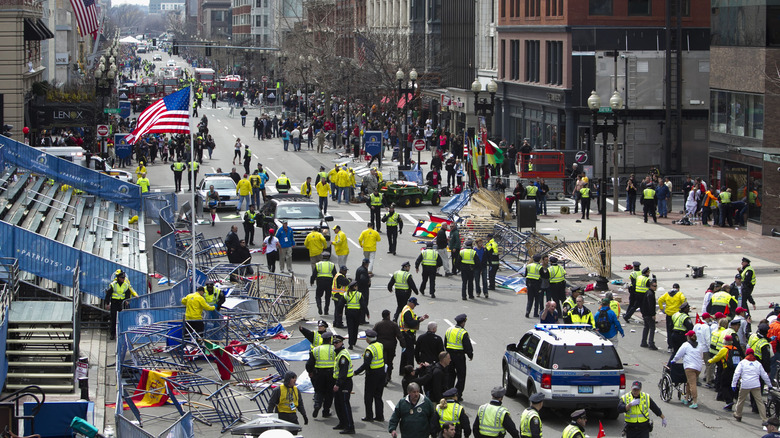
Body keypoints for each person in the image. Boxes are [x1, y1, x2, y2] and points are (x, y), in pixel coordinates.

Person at [732, 347, 773, 423]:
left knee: (741, 400)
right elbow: (764, 375)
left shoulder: (742, 363)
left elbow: (736, 374)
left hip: (745, 384)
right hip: (755, 385)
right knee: (760, 402)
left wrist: (733, 384)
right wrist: (769, 385)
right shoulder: (758, 363)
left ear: (746, 354)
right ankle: (764, 419)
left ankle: (738, 415)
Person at [354, 329, 386, 422]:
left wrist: (356, 372)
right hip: (381, 372)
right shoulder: (380, 345)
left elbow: (366, 364)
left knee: (368, 396)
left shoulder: (369, 349)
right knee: (378, 396)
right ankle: (380, 416)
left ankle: (369, 416)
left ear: (368, 339)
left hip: (372, 375)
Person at [670, 330, 704, 409]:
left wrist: (673, 361)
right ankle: (686, 398)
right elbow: (701, 356)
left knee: (692, 384)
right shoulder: (700, 345)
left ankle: (695, 401)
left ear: (688, 337)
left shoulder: (685, 345)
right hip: (698, 367)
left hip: (689, 367)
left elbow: (678, 354)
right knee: (688, 382)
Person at [307, 331, 335, 419]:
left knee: (318, 391)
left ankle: (317, 405)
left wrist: (310, 372)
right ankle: (326, 411)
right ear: (330, 340)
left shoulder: (316, 349)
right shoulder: (334, 349)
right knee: (329, 393)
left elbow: (309, 363)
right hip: (331, 374)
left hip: (319, 374)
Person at [708, 334, 741, 410]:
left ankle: (729, 401)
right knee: (731, 385)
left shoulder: (724, 349)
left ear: (725, 341)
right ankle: (731, 400)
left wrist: (710, 361)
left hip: (727, 369)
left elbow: (717, 357)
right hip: (734, 370)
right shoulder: (735, 349)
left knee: (723, 385)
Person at [374, 309, 405, 385]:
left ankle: (384, 377)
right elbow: (399, 335)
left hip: (381, 346)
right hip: (391, 346)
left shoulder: (378, 324)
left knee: (383, 361)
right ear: (388, 316)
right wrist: (403, 345)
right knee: (390, 361)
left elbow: (373, 334)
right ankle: (388, 376)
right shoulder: (393, 324)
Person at [332, 334, 356, 434]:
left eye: (337, 342)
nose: (335, 344)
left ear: (342, 342)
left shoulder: (343, 356)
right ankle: (342, 422)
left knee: (345, 404)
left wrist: (337, 384)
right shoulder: (339, 353)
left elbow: (343, 372)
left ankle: (350, 426)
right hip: (341, 382)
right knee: (338, 404)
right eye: (334, 343)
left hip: (344, 383)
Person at [446, 314, 473, 399]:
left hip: (449, 356)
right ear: (463, 322)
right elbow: (467, 346)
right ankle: (458, 394)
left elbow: (445, 343)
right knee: (461, 376)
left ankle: (449, 392)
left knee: (450, 375)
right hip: (459, 357)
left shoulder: (449, 330)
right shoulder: (463, 332)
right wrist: (470, 355)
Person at [105, 270, 138, 340]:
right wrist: (107, 304)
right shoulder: (113, 284)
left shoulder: (125, 285)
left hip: (121, 304)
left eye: (124, 278)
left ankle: (122, 334)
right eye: (122, 278)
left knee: (122, 319)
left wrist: (127, 300)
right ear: (118, 278)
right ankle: (112, 334)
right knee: (113, 319)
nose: (123, 279)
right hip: (114, 303)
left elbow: (128, 293)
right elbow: (108, 294)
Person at [399, 297, 429, 371]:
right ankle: (410, 371)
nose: (415, 306)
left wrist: (421, 318)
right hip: (407, 335)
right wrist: (419, 320)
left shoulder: (407, 309)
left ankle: (403, 370)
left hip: (405, 334)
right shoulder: (408, 311)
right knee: (410, 354)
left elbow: (413, 318)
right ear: (411, 303)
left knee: (405, 353)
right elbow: (411, 323)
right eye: (414, 304)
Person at [657, 284, 687, 353]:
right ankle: (676, 346)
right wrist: (682, 310)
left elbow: (660, 300)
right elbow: (684, 301)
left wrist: (662, 309)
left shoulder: (667, 294)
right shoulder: (679, 294)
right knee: (677, 330)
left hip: (669, 315)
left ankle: (670, 346)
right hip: (677, 315)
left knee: (669, 331)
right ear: (678, 289)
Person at [344, 281, 366, 349]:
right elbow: (363, 305)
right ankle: (354, 341)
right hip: (357, 313)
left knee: (350, 328)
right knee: (355, 328)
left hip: (349, 313)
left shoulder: (346, 294)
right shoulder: (359, 294)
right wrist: (366, 313)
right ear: (354, 287)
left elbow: (341, 304)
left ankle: (350, 344)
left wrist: (339, 312)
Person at [640, 280, 659, 350]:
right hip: (649, 314)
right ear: (651, 286)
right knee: (652, 328)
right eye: (654, 286)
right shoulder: (651, 294)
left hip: (645, 313)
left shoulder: (647, 292)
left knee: (646, 327)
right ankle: (651, 343)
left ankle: (643, 341)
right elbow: (651, 305)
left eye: (656, 286)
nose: (655, 287)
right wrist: (653, 314)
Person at [355, 258, 372, 324]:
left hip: (360, 288)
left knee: (362, 304)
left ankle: (361, 319)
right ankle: (361, 320)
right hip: (363, 289)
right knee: (363, 304)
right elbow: (362, 279)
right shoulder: (363, 270)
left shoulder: (359, 269)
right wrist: (368, 280)